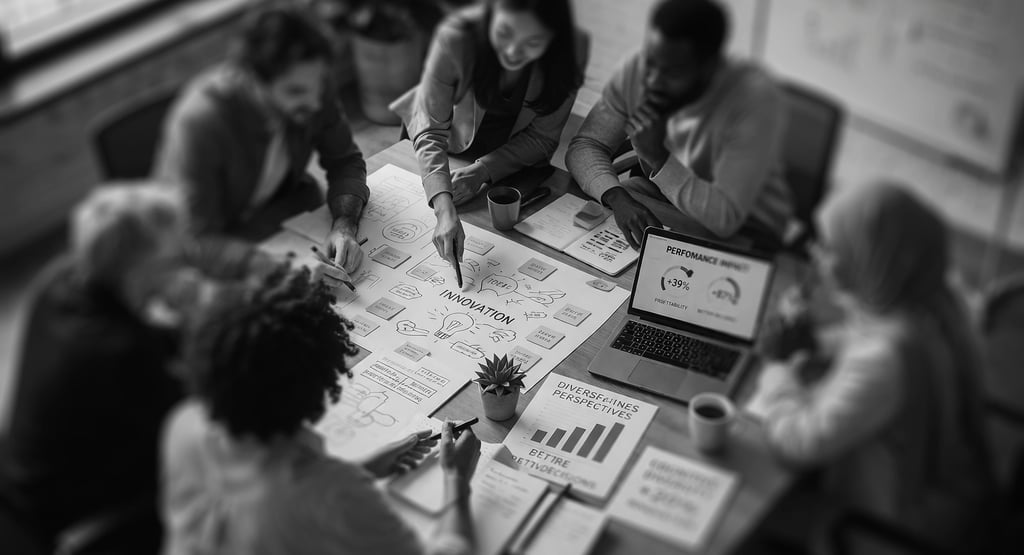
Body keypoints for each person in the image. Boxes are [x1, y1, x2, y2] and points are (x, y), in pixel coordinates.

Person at [749, 182, 997, 552]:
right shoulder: (933, 304)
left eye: (831, 249)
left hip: (881, 527)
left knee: (750, 514)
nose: (817, 256)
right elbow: (863, 334)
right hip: (943, 491)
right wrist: (815, 342)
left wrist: (777, 367)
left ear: (874, 257)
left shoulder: (887, 359)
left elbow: (800, 443)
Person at [161, 268, 481, 555]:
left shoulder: (185, 425)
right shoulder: (333, 498)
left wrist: (362, 470)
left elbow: (272, 488)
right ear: (314, 386)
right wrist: (457, 480)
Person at [0, 184, 229, 553]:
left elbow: (149, 339)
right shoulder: (121, 353)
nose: (188, 259)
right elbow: (199, 408)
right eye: (175, 256)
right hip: (82, 512)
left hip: (25, 471)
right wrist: (197, 318)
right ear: (139, 273)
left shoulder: (58, 280)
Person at [155, 1, 368, 277]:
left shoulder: (312, 83)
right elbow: (196, 241)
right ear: (252, 79)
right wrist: (282, 268)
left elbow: (346, 161)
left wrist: (344, 225)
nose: (315, 103)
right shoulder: (201, 122)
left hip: (281, 217)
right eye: (295, 92)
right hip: (217, 251)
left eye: (318, 86)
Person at [566, 0, 791, 249]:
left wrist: (657, 157)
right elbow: (586, 145)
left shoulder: (754, 101)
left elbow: (725, 218)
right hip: (667, 199)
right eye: (651, 63)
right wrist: (616, 196)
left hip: (745, 228)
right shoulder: (641, 69)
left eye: (672, 73)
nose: (653, 80)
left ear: (709, 67)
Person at [390, 0, 588, 266]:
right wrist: (444, 209)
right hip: (449, 140)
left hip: (515, 158)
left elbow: (543, 137)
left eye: (533, 42)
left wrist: (482, 170)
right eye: (504, 33)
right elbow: (431, 129)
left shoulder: (573, 48)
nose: (513, 52)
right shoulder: (457, 37)